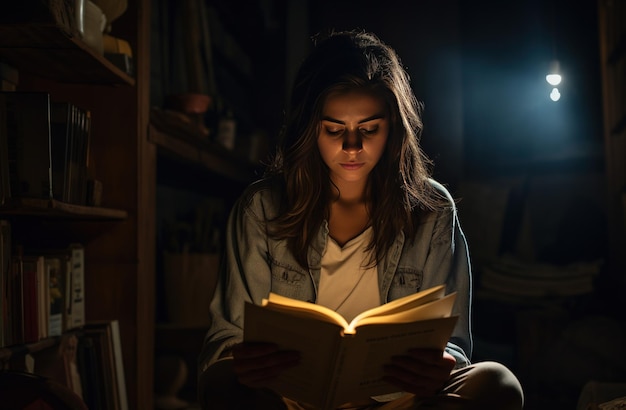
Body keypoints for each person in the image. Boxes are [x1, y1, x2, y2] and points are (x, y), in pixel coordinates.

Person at [198, 30, 524, 409]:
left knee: (501, 383)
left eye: (369, 129)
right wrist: (244, 361)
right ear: (309, 128)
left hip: (398, 402)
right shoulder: (263, 207)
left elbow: (453, 345)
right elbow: (226, 339)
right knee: (219, 383)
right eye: (334, 130)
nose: (352, 147)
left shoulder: (431, 208)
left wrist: (439, 365)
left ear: (393, 127)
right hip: (290, 402)